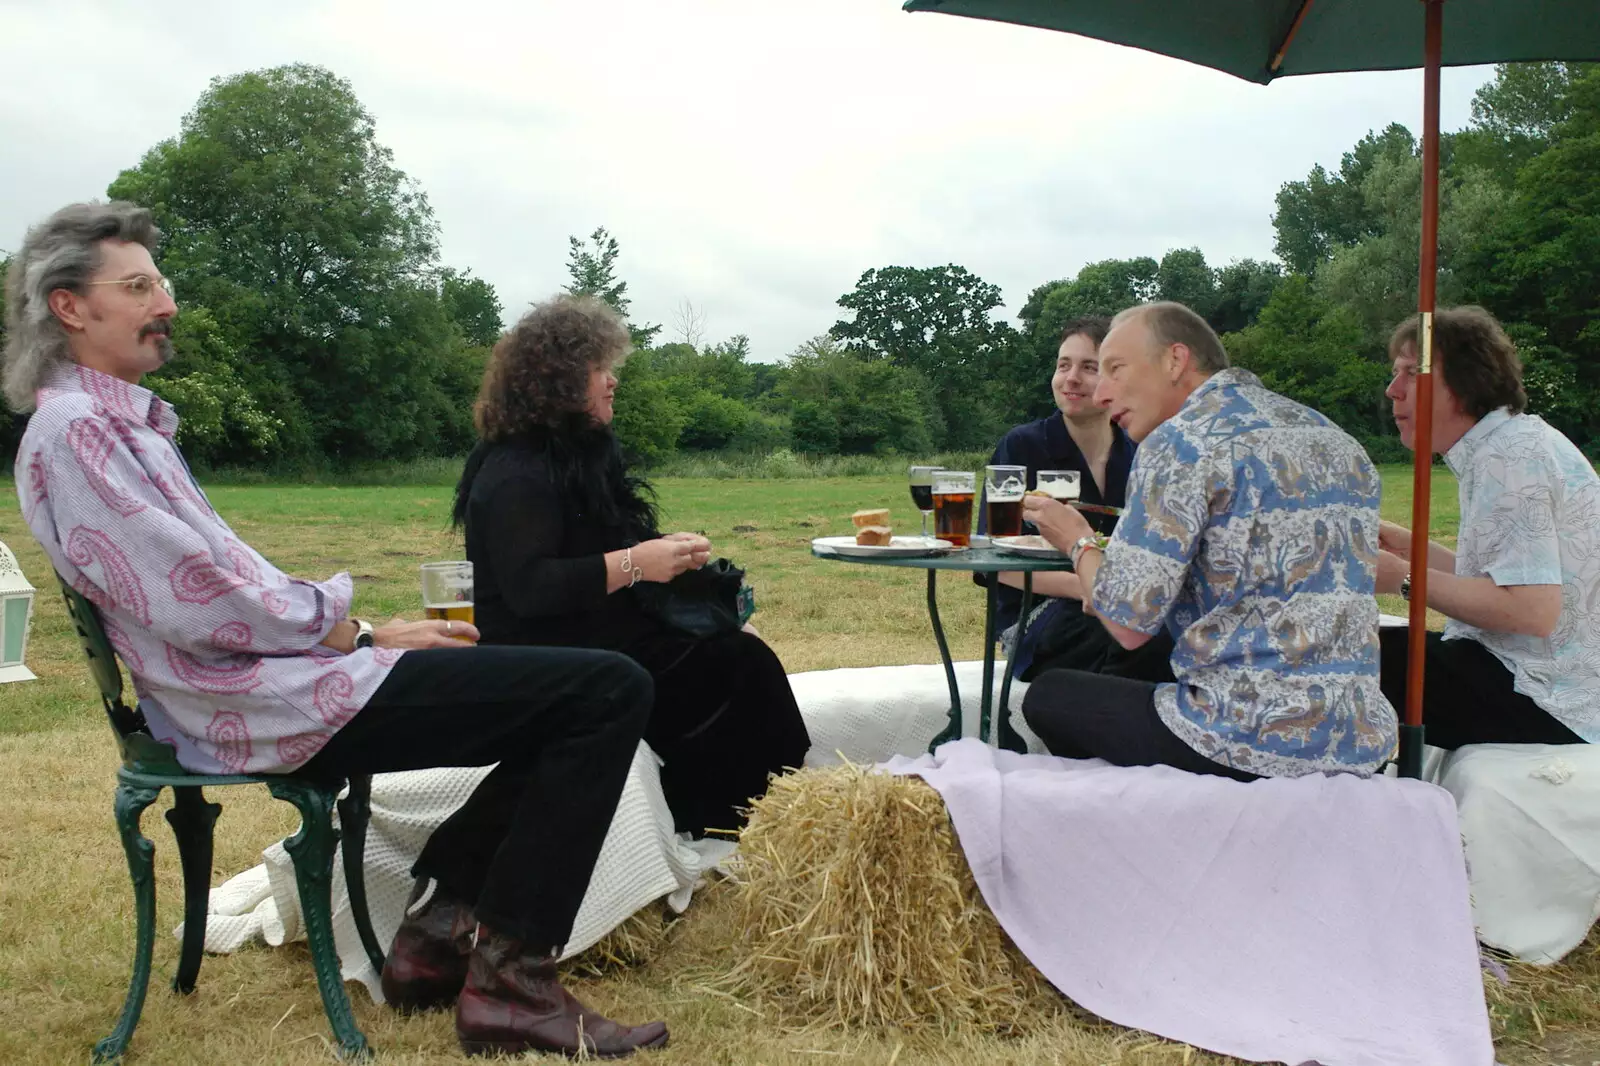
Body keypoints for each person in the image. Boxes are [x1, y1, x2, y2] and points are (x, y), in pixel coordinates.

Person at [5, 202, 668, 1059]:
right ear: (69, 307)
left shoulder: (112, 423)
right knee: (608, 688)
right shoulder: (80, 432)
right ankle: (510, 981)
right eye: (136, 287)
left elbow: (223, 580)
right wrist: (356, 635)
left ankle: (441, 933)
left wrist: (363, 634)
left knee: (580, 689)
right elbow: (199, 594)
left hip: (266, 681)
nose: (164, 303)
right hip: (254, 700)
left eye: (159, 282)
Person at [452, 294, 811, 838]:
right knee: (736, 666)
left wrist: (665, 554)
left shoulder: (574, 457)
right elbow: (532, 588)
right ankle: (725, 821)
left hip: (589, 633)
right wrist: (638, 561)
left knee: (739, 653)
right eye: (600, 369)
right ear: (560, 381)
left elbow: (597, 548)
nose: (612, 381)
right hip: (544, 652)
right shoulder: (516, 471)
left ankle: (742, 814)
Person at [1019, 302, 1398, 781]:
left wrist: (1076, 542)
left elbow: (1126, 623)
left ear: (1175, 360)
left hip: (1247, 740)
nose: (1101, 390)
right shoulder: (1333, 436)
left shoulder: (1179, 442)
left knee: (1052, 695)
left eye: (1115, 368)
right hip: (1358, 739)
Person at [1375, 307, 1600, 748]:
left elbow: (1530, 611)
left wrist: (1398, 578)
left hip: (1547, 700)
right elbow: (1511, 581)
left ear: (1462, 384)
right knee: (1359, 643)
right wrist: (1409, 549)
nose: (1392, 391)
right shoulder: (1512, 443)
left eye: (1409, 374)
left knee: (1332, 652)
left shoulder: (1508, 458)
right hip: (1552, 681)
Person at [977, 315, 1172, 682]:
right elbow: (993, 560)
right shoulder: (1023, 446)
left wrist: (1111, 595)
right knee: (1125, 637)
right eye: (1063, 365)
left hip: (1122, 604)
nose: (1071, 378)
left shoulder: (1139, 452)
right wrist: (1090, 588)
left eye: (1088, 367)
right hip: (1038, 617)